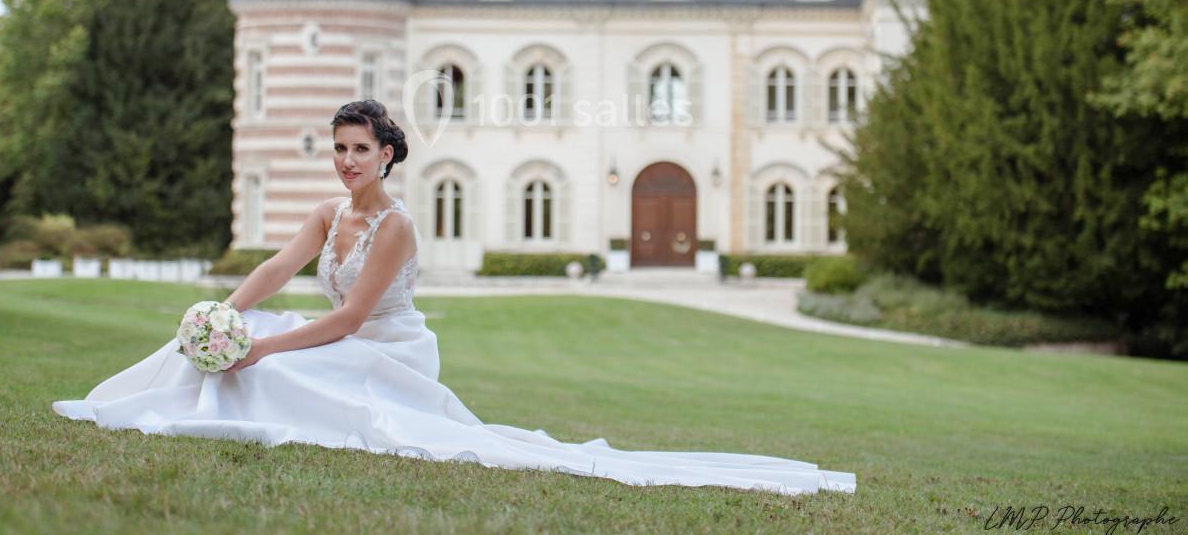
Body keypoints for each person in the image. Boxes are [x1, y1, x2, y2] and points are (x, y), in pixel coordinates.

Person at [52, 99, 856, 495]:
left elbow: (350, 317)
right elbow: (276, 269)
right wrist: (225, 314)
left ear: (389, 155)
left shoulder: (396, 227)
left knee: (268, 367)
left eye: (360, 150)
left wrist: (258, 345)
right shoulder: (327, 212)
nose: (345, 162)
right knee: (221, 347)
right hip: (336, 332)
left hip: (382, 350)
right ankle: (148, 398)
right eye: (339, 150)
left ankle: (250, 380)